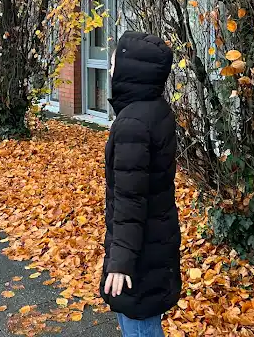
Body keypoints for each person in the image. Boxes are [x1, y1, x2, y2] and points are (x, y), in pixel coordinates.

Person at [100, 31, 182, 337]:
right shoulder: (156, 109)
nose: (111, 70)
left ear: (131, 69)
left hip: (141, 251)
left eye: (114, 63)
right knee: (139, 319)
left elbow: (130, 200)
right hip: (155, 240)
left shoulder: (132, 124)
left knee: (138, 323)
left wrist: (121, 262)